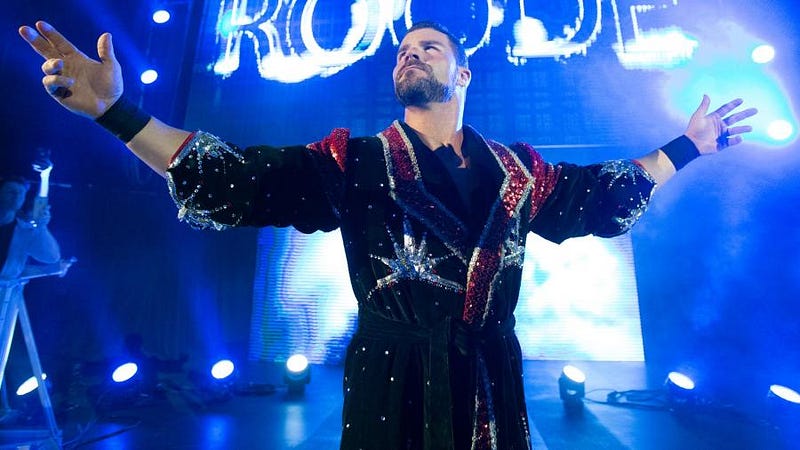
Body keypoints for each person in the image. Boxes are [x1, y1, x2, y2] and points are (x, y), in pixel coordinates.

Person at [19, 19, 756, 450]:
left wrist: (688, 145)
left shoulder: (519, 172)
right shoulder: (354, 162)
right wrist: (116, 113)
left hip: (491, 379)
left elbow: (602, 194)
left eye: (428, 47)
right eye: (403, 49)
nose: (410, 53)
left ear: (463, 74)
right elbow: (238, 178)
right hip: (391, 381)